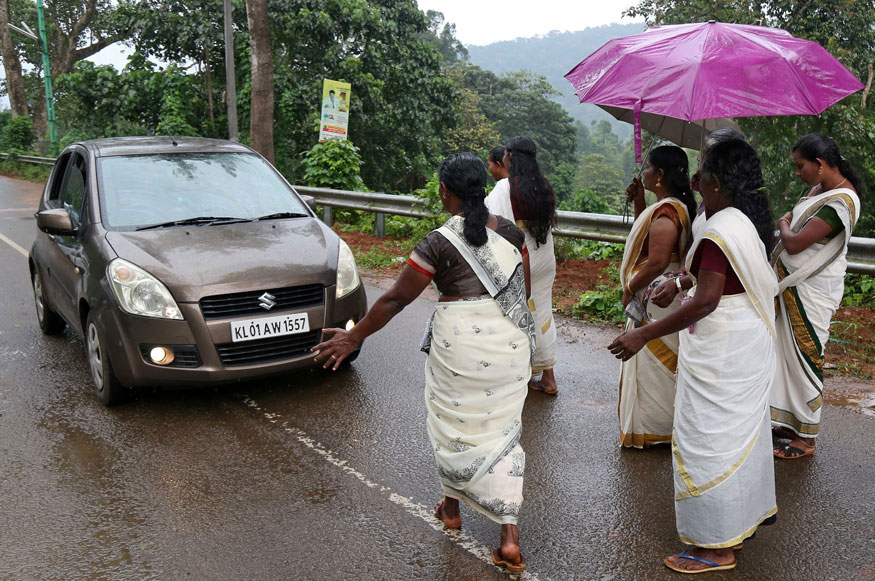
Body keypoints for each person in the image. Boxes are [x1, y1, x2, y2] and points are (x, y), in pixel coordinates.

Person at [311, 152, 535, 573]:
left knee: (454, 427)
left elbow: (396, 299)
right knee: (501, 432)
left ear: (445, 192)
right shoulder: (511, 234)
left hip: (460, 349)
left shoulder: (436, 242)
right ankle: (507, 537)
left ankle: (452, 510)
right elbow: (522, 292)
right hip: (508, 344)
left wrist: (352, 336)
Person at [609, 140, 779, 573]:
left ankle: (714, 545)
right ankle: (736, 526)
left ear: (718, 181)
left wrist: (643, 334)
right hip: (744, 342)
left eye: (703, 170)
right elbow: (710, 279)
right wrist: (680, 282)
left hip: (723, 347)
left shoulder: (721, 229)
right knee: (735, 435)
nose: (696, 178)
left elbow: (707, 301)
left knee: (709, 440)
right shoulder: (739, 221)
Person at [770, 133, 861, 459]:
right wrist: (788, 225)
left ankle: (806, 438)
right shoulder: (819, 191)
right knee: (783, 357)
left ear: (820, 165)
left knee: (806, 358)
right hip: (791, 288)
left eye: (800, 166)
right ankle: (786, 423)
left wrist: (783, 222)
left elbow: (794, 242)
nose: (798, 173)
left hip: (812, 291)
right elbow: (794, 230)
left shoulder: (841, 202)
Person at [617, 145, 695, 448]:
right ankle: (663, 427)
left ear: (660, 175)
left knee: (652, 364)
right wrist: (640, 202)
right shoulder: (669, 208)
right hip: (665, 292)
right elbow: (651, 244)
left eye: (647, 168)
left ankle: (656, 428)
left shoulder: (667, 211)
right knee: (657, 362)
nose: (643, 172)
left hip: (657, 294)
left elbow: (658, 261)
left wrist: (630, 289)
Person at [484, 136, 559, 395]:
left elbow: (494, 224)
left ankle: (517, 371)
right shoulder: (544, 186)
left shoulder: (505, 187)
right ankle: (548, 376)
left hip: (522, 255)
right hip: (545, 255)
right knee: (542, 312)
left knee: (515, 311)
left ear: (510, 157)